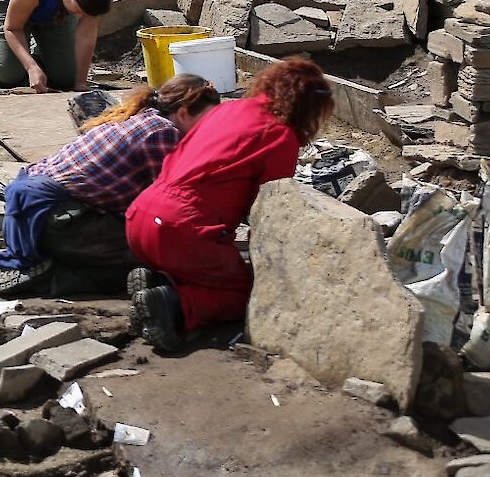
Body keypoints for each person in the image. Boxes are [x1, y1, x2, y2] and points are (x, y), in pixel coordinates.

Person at [125, 57, 336, 353]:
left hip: (140, 216)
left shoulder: (227, 109)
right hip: (182, 228)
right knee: (247, 292)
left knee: (208, 269)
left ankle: (158, 282)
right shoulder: (280, 135)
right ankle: (175, 306)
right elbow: (270, 208)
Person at [0, 74, 222, 297]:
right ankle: (55, 276)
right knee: (157, 253)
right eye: (207, 120)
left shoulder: (135, 117)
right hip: (56, 222)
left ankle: (53, 259)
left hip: (28, 216)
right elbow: (172, 204)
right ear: (183, 114)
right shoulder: (164, 133)